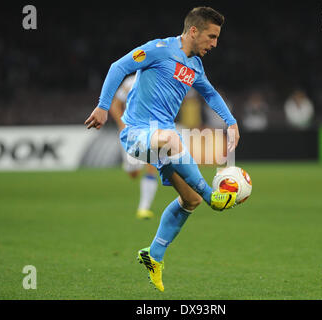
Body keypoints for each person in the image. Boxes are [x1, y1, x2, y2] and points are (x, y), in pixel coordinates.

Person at [84, 6, 240, 292]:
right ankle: (212, 196)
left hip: (161, 138)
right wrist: (103, 107)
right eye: (212, 36)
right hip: (137, 133)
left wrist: (231, 122)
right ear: (194, 31)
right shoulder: (157, 49)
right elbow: (118, 67)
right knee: (172, 140)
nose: (215, 44)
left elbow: (210, 93)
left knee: (188, 200)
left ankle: (153, 255)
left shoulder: (195, 66)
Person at [108, 74, 158, 220]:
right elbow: (115, 104)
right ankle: (132, 166)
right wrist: (122, 125)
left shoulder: (159, 77)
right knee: (134, 172)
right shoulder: (130, 82)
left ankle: (143, 208)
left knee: (151, 164)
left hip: (152, 128)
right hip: (131, 131)